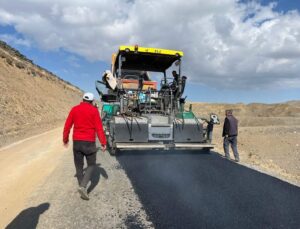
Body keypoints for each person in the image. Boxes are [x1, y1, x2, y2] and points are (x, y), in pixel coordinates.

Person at [63, 92, 107, 200]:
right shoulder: (94, 111)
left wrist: (65, 139)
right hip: (89, 142)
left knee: (79, 166)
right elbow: (99, 128)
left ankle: (81, 186)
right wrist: (103, 143)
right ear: (92, 101)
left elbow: (67, 125)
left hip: (77, 142)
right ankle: (83, 187)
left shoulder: (74, 109)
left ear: (82, 99)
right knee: (91, 165)